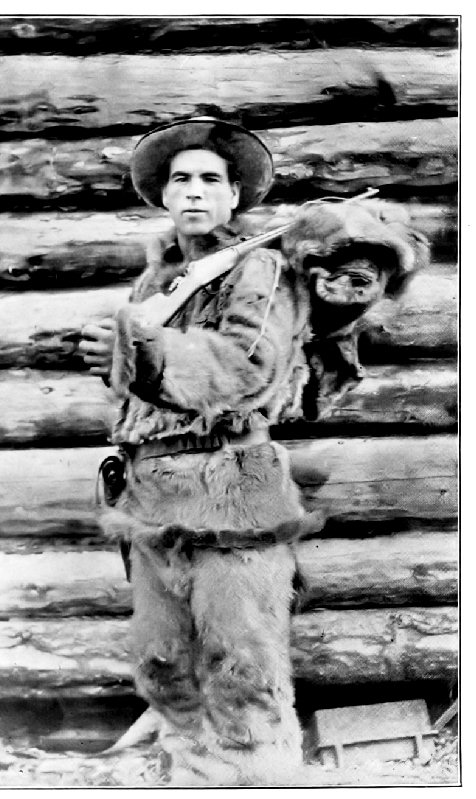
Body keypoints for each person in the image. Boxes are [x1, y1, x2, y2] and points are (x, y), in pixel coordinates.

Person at [79, 117, 428, 786]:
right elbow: (146, 385)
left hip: (231, 480)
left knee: (239, 663)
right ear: (162, 194)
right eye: (180, 178)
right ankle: (191, 775)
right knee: (163, 663)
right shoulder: (154, 287)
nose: (194, 190)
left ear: (235, 197)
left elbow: (247, 370)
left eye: (212, 178)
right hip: (151, 488)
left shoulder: (260, 267)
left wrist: (138, 353)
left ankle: (255, 780)